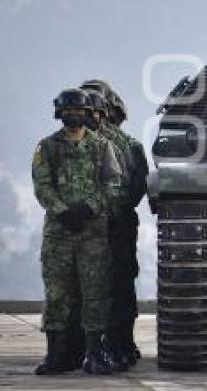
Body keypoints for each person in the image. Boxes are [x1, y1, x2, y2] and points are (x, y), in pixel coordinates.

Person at [32, 88, 121, 375]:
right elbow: (42, 186)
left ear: (87, 113)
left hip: (92, 234)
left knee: (94, 294)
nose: (74, 115)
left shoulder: (101, 146)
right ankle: (55, 356)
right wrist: (62, 211)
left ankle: (95, 354)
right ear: (60, 112)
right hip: (58, 234)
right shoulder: (47, 147)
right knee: (57, 294)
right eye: (68, 110)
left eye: (79, 110)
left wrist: (89, 208)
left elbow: (112, 184)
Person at [81, 80, 148, 367]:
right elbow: (137, 187)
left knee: (114, 286)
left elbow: (137, 185)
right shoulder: (125, 143)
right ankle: (113, 346)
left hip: (111, 224)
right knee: (115, 286)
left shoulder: (125, 144)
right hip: (111, 221)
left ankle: (117, 344)